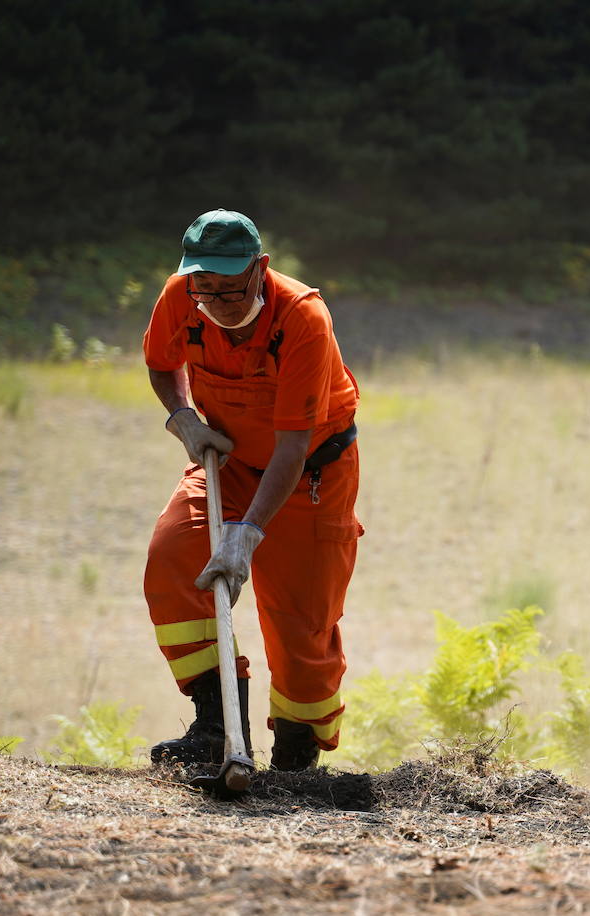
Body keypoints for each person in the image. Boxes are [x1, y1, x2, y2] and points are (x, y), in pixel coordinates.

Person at [142, 208, 362, 771]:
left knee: (302, 630)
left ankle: (294, 762)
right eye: (205, 290)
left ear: (260, 269)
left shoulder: (302, 319)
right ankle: (215, 726)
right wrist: (184, 417)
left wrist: (247, 533)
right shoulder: (181, 296)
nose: (217, 303)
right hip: (230, 466)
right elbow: (162, 362)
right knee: (173, 559)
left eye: (231, 291)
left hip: (312, 476)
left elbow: (292, 447)